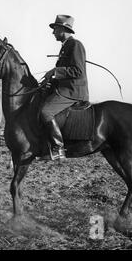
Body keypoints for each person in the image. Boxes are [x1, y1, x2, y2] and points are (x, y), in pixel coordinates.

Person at [41, 14, 89, 160]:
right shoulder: (66, 47)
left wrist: (55, 71)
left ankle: (58, 148)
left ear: (62, 29)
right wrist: (49, 82)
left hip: (73, 92)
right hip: (65, 89)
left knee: (45, 111)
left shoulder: (76, 45)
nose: (53, 32)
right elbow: (65, 74)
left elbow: (78, 71)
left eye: (55, 29)